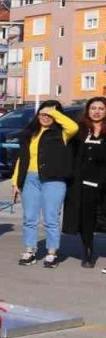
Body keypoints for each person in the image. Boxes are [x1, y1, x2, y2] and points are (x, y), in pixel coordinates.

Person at [12, 100, 79, 267]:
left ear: (57, 116)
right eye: (43, 114)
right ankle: (29, 251)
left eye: (50, 115)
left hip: (54, 179)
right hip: (30, 179)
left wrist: (53, 111)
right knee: (29, 218)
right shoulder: (30, 133)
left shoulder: (63, 133)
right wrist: (15, 181)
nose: (46, 117)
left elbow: (74, 127)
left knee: (51, 218)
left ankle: (51, 253)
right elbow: (22, 159)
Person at [64, 97, 106, 269]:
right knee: (86, 219)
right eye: (93, 108)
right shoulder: (80, 130)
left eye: (101, 108)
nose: (96, 111)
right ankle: (87, 252)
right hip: (84, 182)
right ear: (87, 111)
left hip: (104, 181)